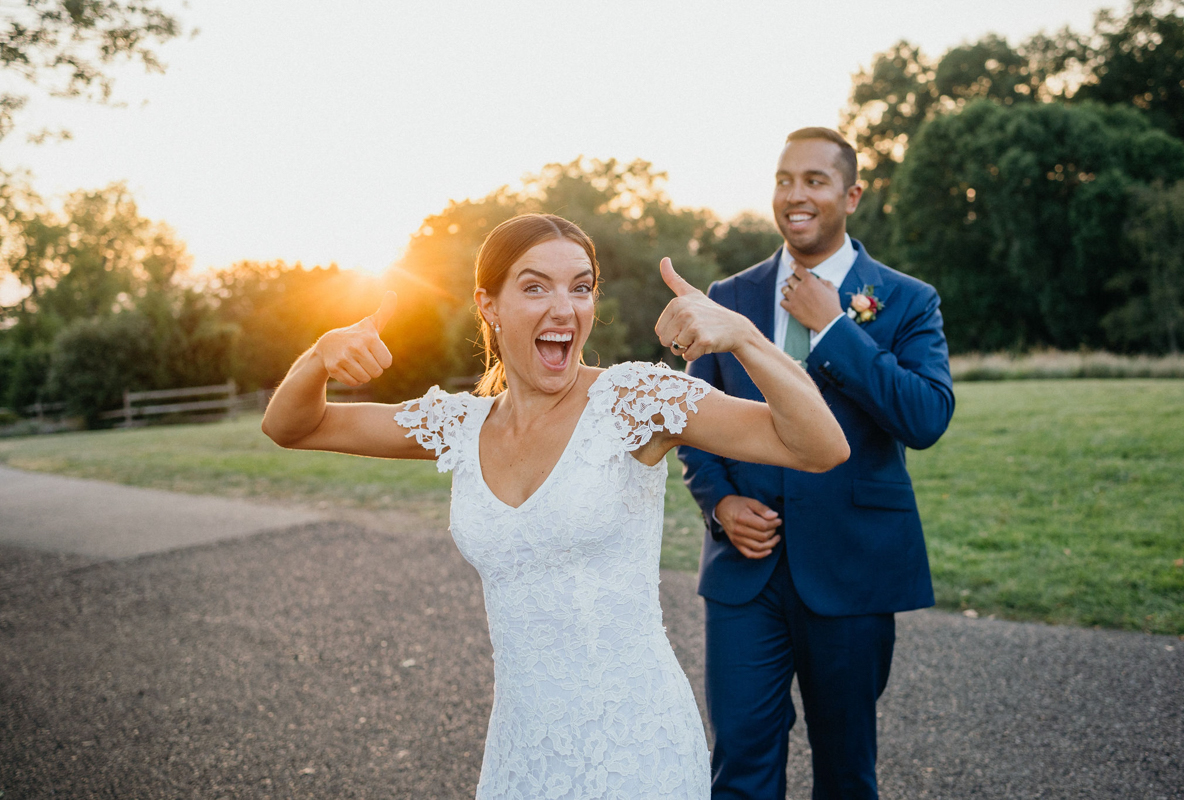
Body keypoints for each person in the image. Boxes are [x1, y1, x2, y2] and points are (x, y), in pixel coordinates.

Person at [261, 213, 849, 799]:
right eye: (535, 286)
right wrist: (318, 355)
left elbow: (821, 446)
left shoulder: (633, 401)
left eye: (582, 287)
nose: (564, 308)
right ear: (488, 304)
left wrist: (744, 336)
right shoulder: (459, 427)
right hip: (521, 751)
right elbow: (294, 425)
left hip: (636, 751)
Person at [677, 128, 955, 799]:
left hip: (852, 570)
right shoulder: (729, 296)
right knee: (740, 767)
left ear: (852, 194)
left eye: (814, 181)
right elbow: (692, 419)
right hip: (747, 576)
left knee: (846, 772)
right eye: (783, 180)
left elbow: (925, 418)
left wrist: (835, 330)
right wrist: (717, 502)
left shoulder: (907, 300)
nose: (795, 195)